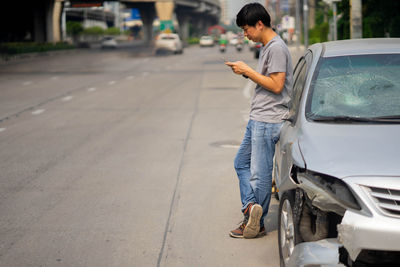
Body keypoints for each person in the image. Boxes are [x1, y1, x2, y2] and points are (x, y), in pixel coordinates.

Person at [226, 3, 293, 239]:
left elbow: (276, 85)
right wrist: (246, 71)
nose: (245, 34)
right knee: (241, 163)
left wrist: (248, 71)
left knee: (259, 174)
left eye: (246, 29)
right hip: (259, 118)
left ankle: (257, 221)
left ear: (260, 24)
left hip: (268, 119)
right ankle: (250, 208)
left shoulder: (275, 48)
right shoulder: (267, 46)